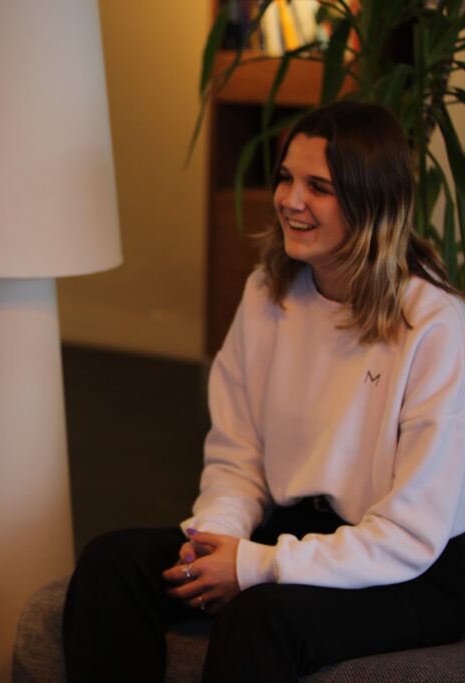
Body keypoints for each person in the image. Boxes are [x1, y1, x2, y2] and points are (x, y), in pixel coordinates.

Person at [62, 100, 465, 682]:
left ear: (372, 201)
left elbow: (410, 535)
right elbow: (237, 454)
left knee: (260, 617)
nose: (289, 200)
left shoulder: (435, 325)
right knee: (111, 563)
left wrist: (257, 567)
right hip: (300, 528)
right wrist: (216, 538)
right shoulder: (268, 292)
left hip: (412, 567)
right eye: (285, 177)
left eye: (318, 186)